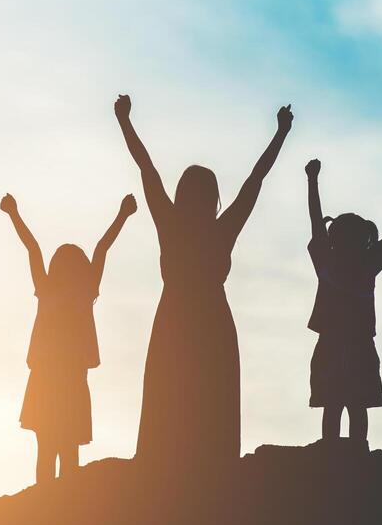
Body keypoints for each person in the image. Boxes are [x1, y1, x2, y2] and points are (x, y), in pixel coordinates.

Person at [114, 93, 292, 465]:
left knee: (174, 394)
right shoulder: (219, 229)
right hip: (209, 322)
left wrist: (125, 121)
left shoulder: (172, 223)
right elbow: (254, 180)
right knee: (207, 398)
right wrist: (280, 134)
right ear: (213, 199)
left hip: (177, 320)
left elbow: (147, 169)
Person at [0, 191, 136, 484]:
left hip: (49, 380)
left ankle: (46, 506)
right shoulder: (83, 292)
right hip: (70, 381)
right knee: (67, 452)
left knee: (47, 451)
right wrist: (123, 215)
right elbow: (101, 248)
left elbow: (33, 248)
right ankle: (61, 508)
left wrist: (14, 213)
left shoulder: (49, 289)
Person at [303, 157, 382, 450]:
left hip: (341, 343)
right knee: (347, 404)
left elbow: (315, 221)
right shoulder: (362, 262)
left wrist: (312, 179)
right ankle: (350, 451)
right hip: (350, 343)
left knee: (339, 404)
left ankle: (337, 451)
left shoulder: (333, 261)